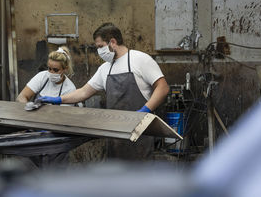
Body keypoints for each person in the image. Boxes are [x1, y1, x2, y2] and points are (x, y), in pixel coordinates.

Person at [37, 23, 169, 160]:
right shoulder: (105, 68)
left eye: (100, 46)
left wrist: (144, 111)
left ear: (113, 42)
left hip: (139, 134)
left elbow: (163, 87)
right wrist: (58, 99)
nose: (99, 51)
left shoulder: (140, 59)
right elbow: (83, 92)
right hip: (115, 137)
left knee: (139, 177)